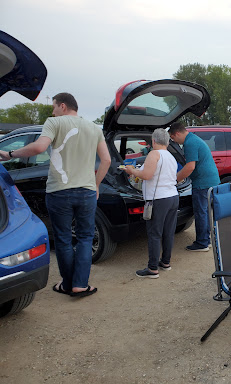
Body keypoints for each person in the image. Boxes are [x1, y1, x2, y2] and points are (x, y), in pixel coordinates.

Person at [0, 93, 111, 297]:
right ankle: (80, 284)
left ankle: (67, 284)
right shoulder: (94, 128)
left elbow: (40, 147)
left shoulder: (54, 122)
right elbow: (106, 160)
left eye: (53, 107)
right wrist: (96, 185)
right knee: (86, 238)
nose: (52, 111)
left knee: (63, 238)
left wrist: (10, 154)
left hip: (59, 191)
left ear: (62, 106)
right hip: (86, 192)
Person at [123, 129, 179, 278]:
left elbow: (147, 175)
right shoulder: (171, 157)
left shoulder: (154, 154)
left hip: (158, 198)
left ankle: (153, 268)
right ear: (167, 141)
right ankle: (165, 262)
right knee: (168, 232)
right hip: (173, 196)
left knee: (155, 233)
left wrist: (132, 171)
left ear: (153, 141)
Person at [170, 122, 220, 252]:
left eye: (173, 138)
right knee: (205, 212)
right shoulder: (194, 139)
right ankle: (206, 240)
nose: (175, 142)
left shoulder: (189, 143)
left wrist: (174, 179)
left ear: (177, 133)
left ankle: (202, 243)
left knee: (201, 212)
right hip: (211, 180)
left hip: (203, 182)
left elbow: (190, 167)